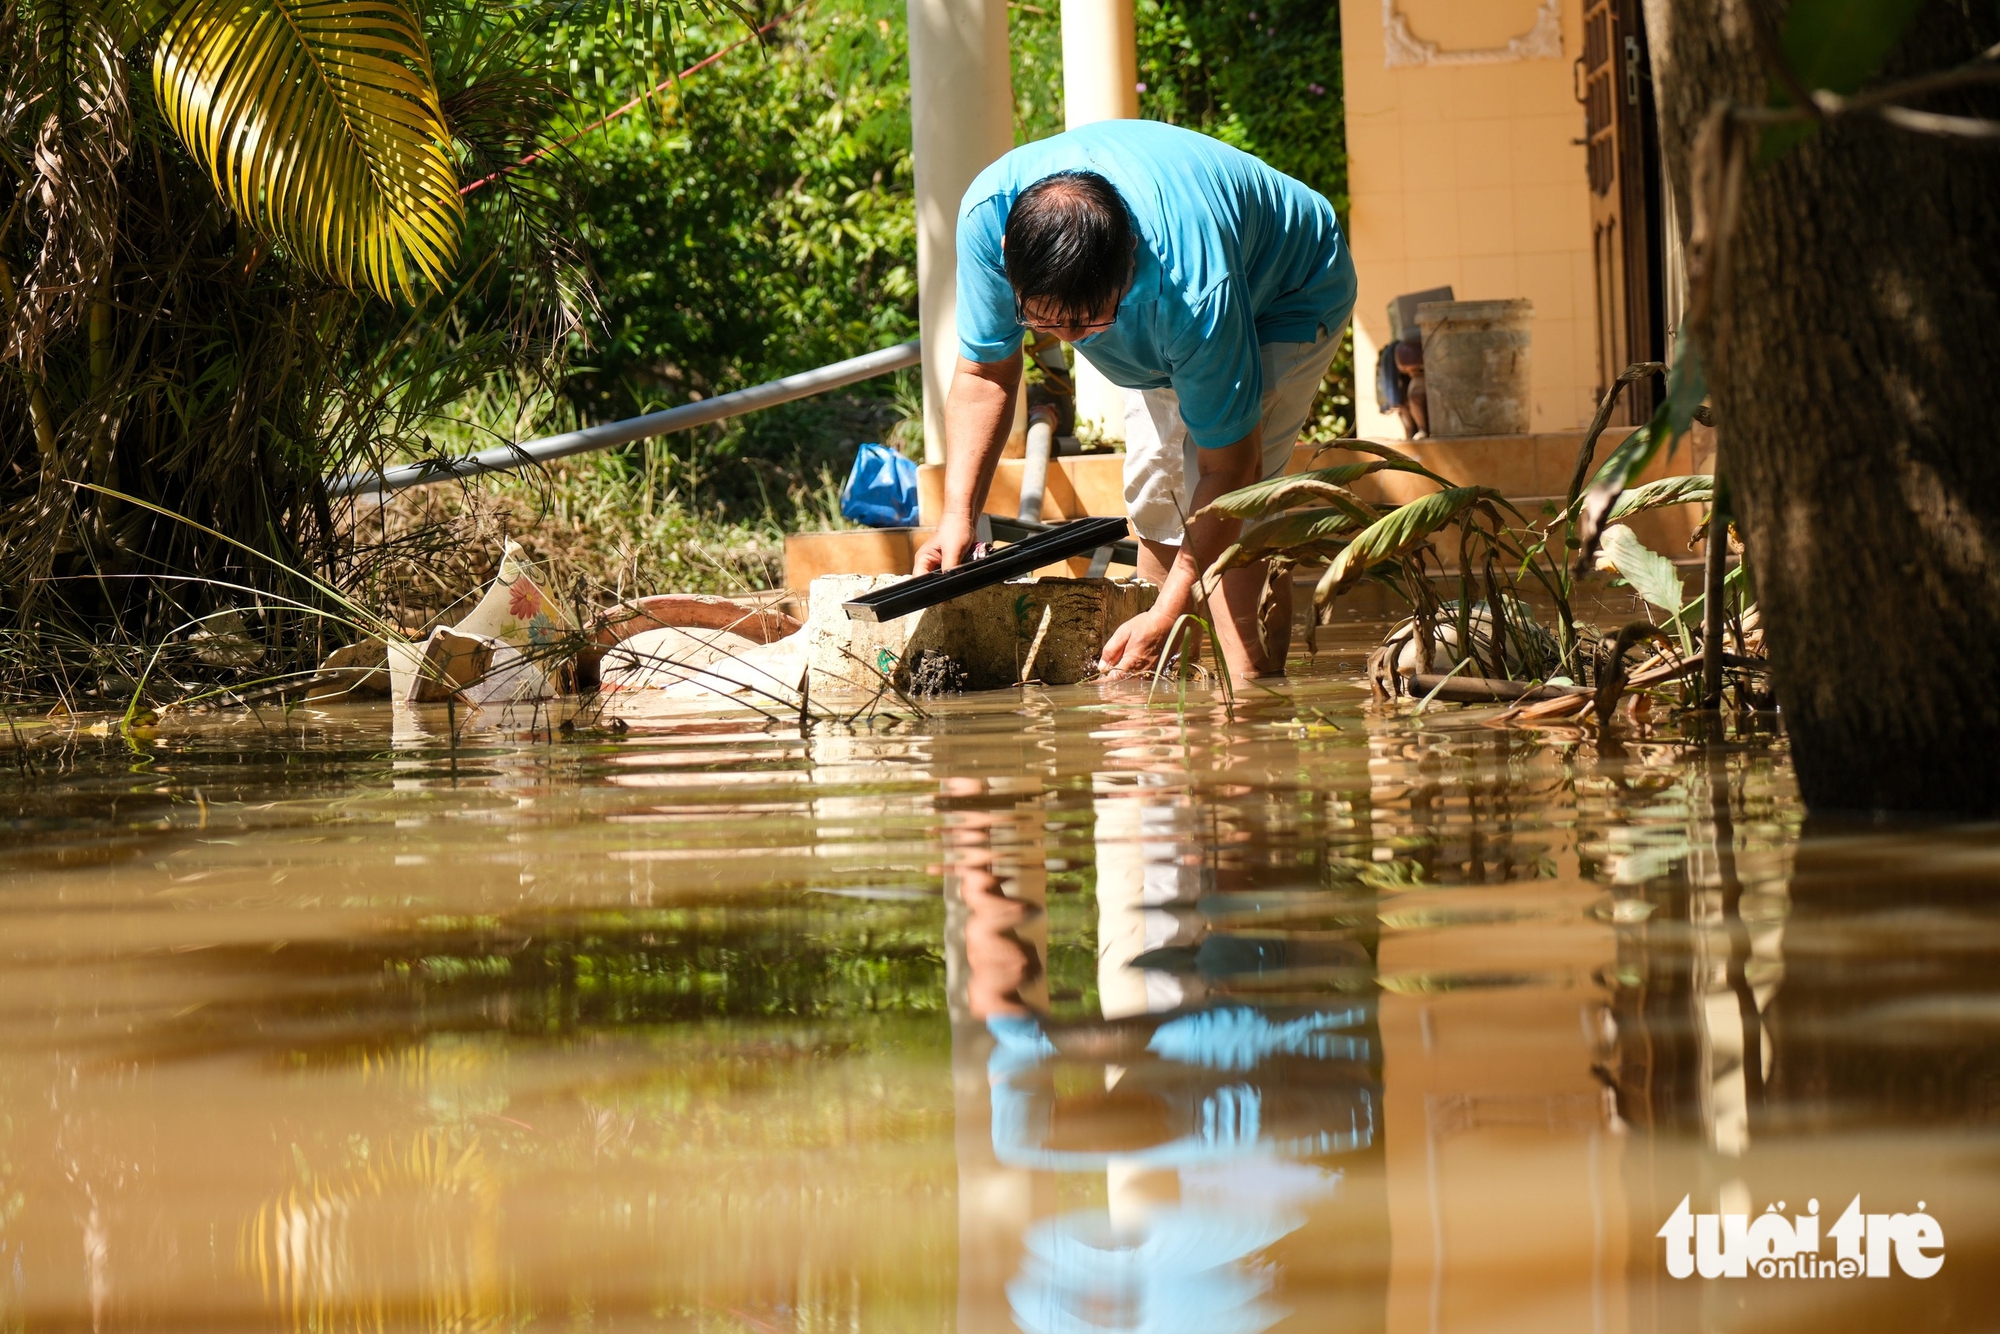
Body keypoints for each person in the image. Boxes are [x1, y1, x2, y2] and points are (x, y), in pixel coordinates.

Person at [912, 119, 1356, 679]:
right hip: (1166, 309)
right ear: (1008, 256)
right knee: (1155, 497)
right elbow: (984, 373)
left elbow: (1231, 471)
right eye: (1045, 322)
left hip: (1288, 289)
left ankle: (1252, 707)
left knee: (1226, 514)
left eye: (1086, 322)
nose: (1068, 341)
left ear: (1130, 263)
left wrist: (1174, 608)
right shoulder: (987, 223)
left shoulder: (1195, 292)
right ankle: (1159, 688)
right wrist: (958, 517)